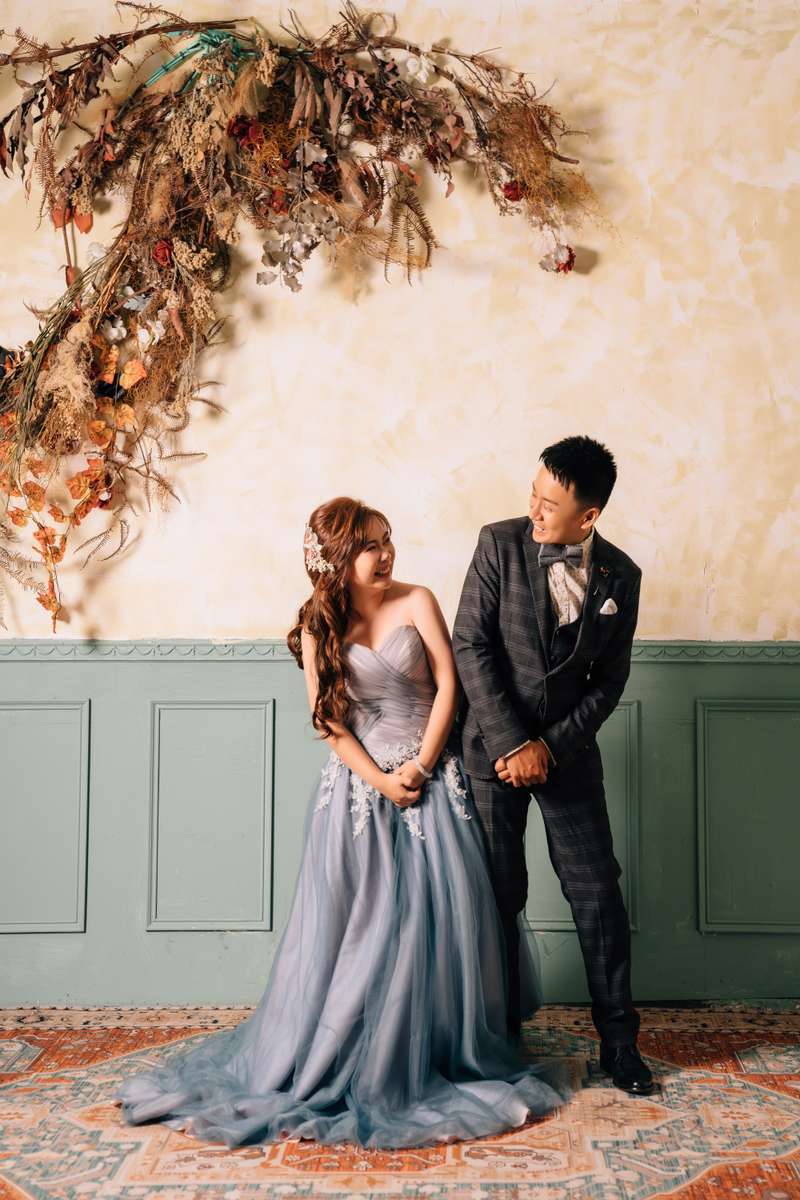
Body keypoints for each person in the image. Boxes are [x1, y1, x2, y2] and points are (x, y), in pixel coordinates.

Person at [114, 496, 573, 1149]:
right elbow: (328, 723)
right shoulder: (316, 626)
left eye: (387, 540)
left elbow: (450, 685)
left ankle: (434, 1050)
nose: (385, 555)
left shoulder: (417, 601)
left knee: (439, 923)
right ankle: (350, 1052)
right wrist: (381, 781)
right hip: (358, 792)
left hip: (432, 780)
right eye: (368, 546)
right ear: (336, 559)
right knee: (361, 931)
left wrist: (421, 765)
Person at [452, 435, 654, 1096]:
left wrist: (551, 747)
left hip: (568, 758)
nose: (534, 511)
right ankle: (499, 1039)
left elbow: (609, 683)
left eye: (550, 503)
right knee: (497, 895)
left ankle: (620, 1044)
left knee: (598, 897)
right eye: (533, 495)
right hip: (491, 752)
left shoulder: (622, 577)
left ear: (588, 515)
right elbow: (470, 644)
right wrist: (514, 743)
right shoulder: (497, 543)